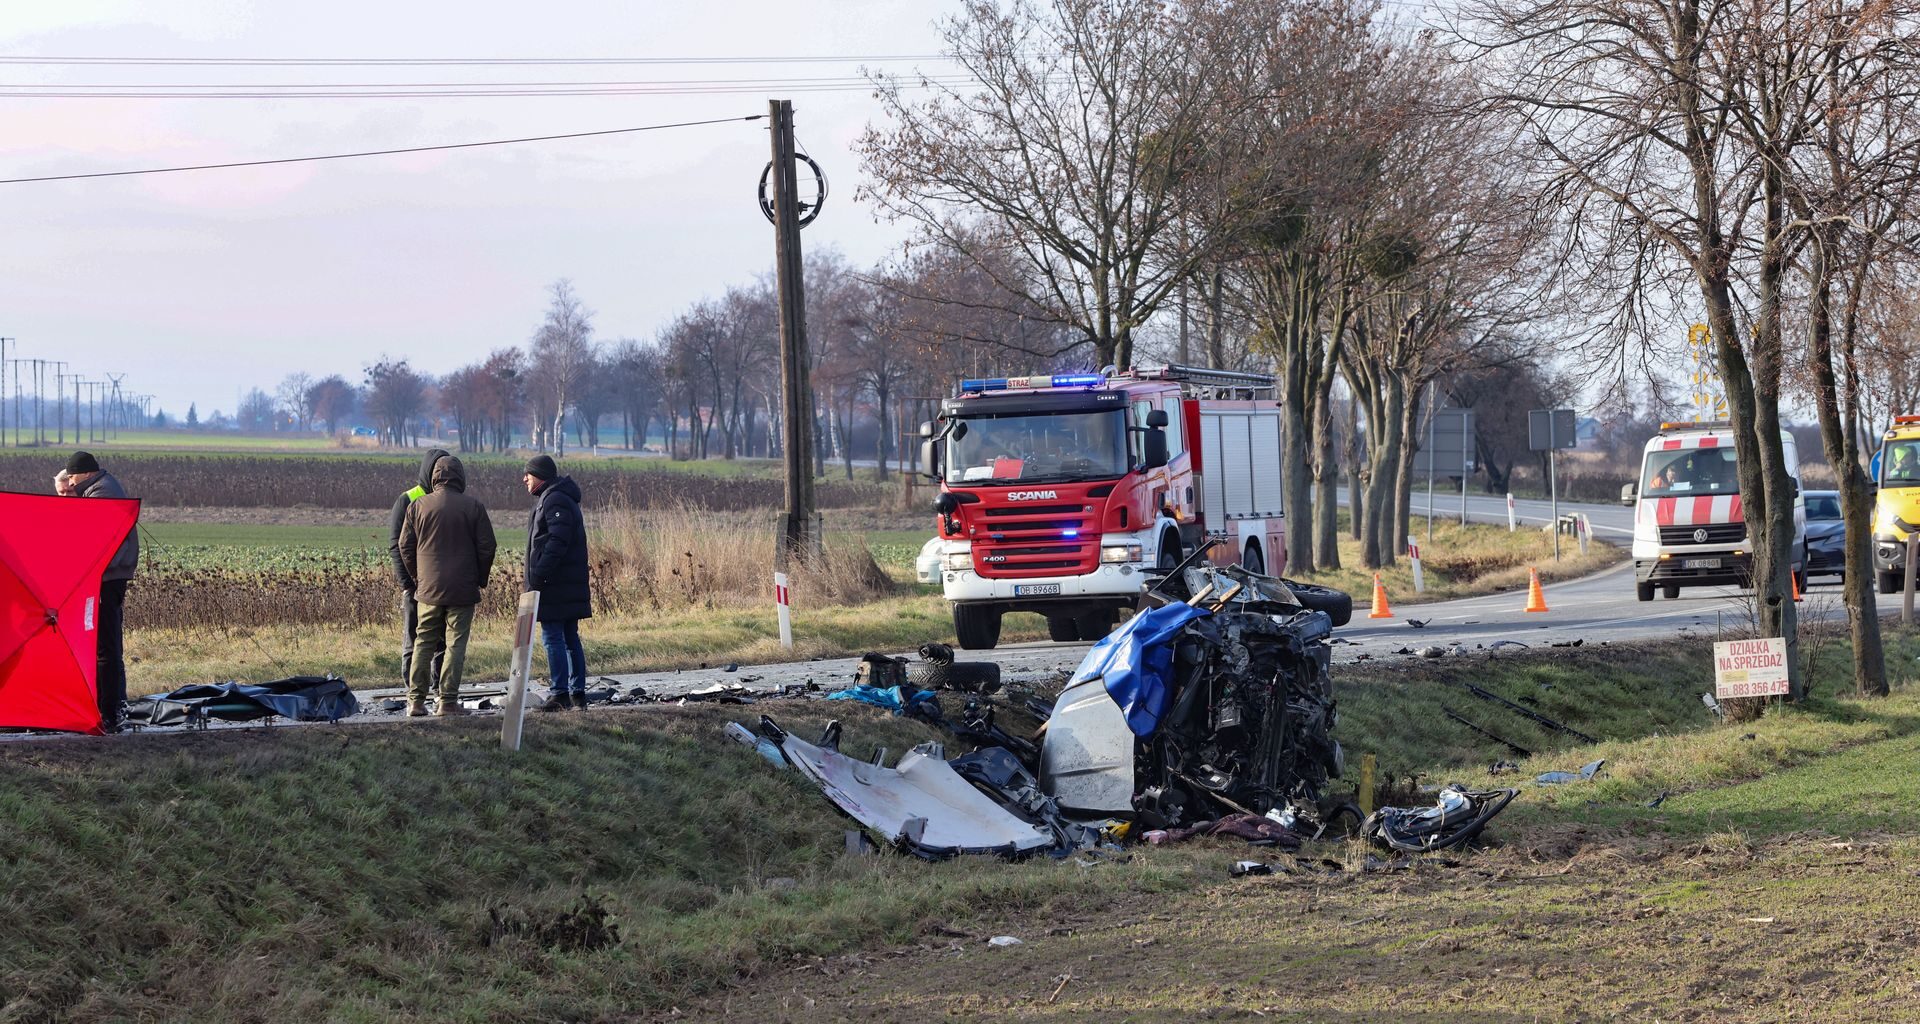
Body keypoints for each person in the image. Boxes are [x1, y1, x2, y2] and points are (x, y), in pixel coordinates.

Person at [398, 456, 497, 718]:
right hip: (462, 589)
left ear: (434, 477)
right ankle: (447, 702)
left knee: (423, 641)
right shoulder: (473, 507)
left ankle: (415, 702)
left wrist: (418, 577)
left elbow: (404, 545)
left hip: (428, 589)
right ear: (460, 477)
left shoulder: (417, 506)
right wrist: (480, 578)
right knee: (455, 644)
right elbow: (488, 546)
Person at [65, 451, 138, 732]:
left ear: (85, 473)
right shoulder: (100, 489)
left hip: (108, 578)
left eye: (72, 477)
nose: (71, 483)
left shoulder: (102, 494)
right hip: (110, 576)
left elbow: (90, 537)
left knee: (106, 646)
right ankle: (113, 705)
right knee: (107, 644)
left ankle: (109, 712)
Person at [523, 455, 593, 712]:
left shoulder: (555, 500)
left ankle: (560, 693)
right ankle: (577, 694)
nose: (524, 479)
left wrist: (539, 575)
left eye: (528, 474)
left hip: (555, 584)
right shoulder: (556, 497)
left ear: (540, 475)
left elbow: (557, 542)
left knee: (553, 637)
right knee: (569, 637)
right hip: (565, 584)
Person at [388, 448, 451, 689]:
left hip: (442, 583)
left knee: (442, 637)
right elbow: (396, 545)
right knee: (414, 636)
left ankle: (439, 686)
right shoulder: (407, 500)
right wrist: (407, 584)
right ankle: (413, 688)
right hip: (416, 584)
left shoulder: (450, 499)